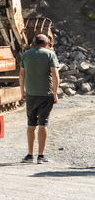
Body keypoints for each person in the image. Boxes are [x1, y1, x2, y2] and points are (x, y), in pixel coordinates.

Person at [19, 34, 60, 164]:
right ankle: (41, 156)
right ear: (47, 44)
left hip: (30, 94)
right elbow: (55, 75)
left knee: (31, 124)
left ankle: (30, 155)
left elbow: (21, 74)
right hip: (46, 94)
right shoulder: (49, 54)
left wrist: (22, 91)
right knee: (43, 123)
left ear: (34, 43)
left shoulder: (26, 54)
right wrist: (55, 93)